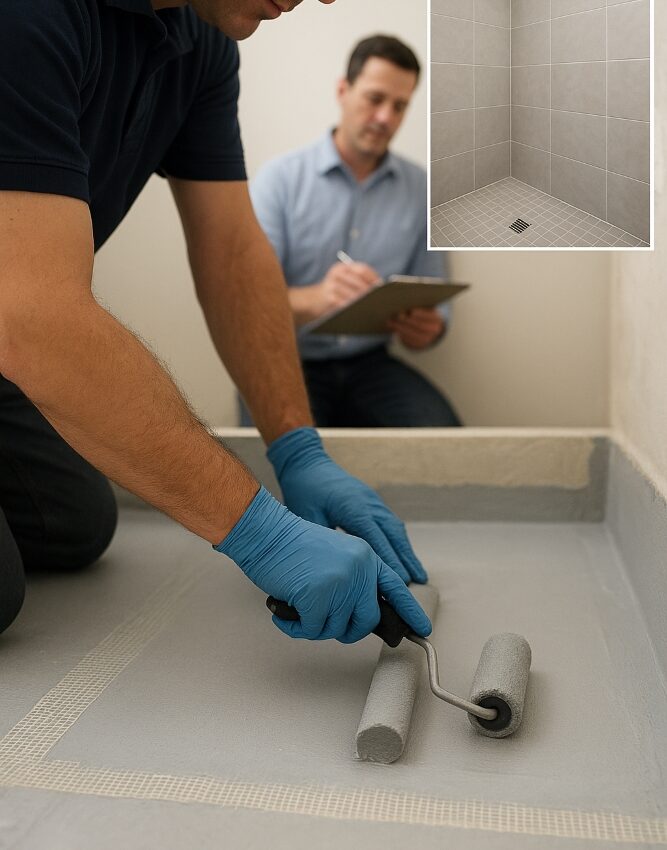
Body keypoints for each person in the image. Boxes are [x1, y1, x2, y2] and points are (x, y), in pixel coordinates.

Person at [0, 0, 433, 645]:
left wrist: (297, 449)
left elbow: (232, 252)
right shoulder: (28, 17)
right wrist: (262, 534)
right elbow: (32, 316)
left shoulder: (200, 43)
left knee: (75, 525)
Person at [248, 35, 461, 428]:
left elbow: (435, 295)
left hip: (371, 365)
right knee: (281, 462)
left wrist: (429, 330)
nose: (386, 118)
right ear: (343, 91)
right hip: (286, 362)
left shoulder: (423, 191)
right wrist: (318, 298)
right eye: (375, 99)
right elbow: (247, 302)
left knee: (448, 442)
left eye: (400, 106)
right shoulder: (279, 180)